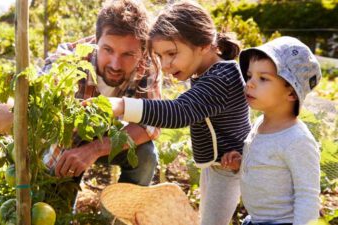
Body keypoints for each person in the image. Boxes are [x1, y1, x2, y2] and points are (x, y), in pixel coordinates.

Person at [0, 0, 160, 188]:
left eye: (128, 54)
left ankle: (122, 213)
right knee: (53, 201)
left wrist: (94, 149)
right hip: (67, 142)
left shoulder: (147, 65)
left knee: (146, 155)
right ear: (96, 41)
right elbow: (39, 94)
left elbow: (151, 124)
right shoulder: (70, 60)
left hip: (108, 139)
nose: (115, 64)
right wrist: (6, 113)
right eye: (107, 50)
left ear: (142, 50)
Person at [108, 2, 251, 225]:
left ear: (203, 44)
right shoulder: (210, 72)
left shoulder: (221, 78)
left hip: (228, 167)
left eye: (171, 53)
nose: (164, 65)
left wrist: (121, 106)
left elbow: (178, 112)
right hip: (218, 165)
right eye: (160, 56)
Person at [222, 36, 321, 225]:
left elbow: (307, 196)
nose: (249, 83)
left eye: (263, 78)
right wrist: (241, 164)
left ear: (291, 92)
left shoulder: (297, 140)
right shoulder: (260, 123)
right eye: (249, 76)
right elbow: (270, 166)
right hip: (256, 220)